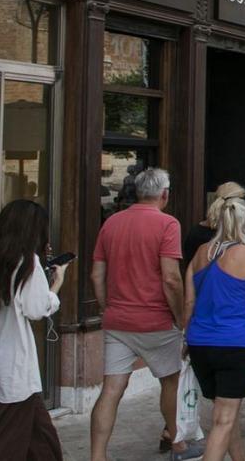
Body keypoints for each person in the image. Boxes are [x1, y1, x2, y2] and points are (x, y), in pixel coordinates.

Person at [89, 168, 201, 461]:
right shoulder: (168, 224)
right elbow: (171, 278)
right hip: (156, 320)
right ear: (164, 194)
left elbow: (96, 274)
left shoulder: (111, 223)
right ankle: (177, 443)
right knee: (170, 381)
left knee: (111, 388)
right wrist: (180, 318)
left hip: (117, 320)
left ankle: (97, 455)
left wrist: (106, 307)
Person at [182, 192, 245, 461]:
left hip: (200, 343)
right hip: (235, 343)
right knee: (224, 418)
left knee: (225, 409)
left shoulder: (201, 253)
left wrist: (186, 337)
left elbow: (189, 302)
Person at [0, 200, 67, 461]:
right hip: (15, 363)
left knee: (41, 435)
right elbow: (36, 309)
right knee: (6, 441)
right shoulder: (28, 263)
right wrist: (56, 285)